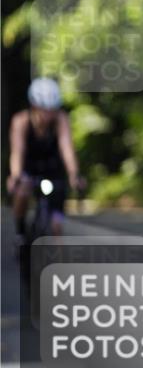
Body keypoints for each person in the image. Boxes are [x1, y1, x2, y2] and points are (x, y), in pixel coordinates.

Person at [6, 77, 84, 245]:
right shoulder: (21, 121)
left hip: (53, 169)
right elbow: (17, 152)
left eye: (52, 109)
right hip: (29, 168)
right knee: (21, 192)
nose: (48, 114)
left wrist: (74, 174)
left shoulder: (61, 120)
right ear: (34, 106)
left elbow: (67, 149)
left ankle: (56, 258)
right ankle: (20, 231)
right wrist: (16, 176)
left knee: (56, 227)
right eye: (44, 109)